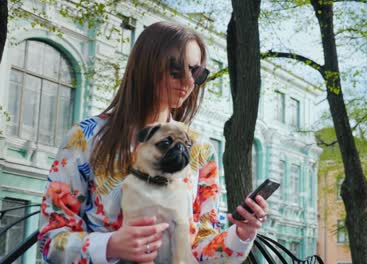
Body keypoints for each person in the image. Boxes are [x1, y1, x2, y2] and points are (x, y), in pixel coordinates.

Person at [38, 21, 269, 263]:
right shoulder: (86, 137)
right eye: (176, 69)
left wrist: (241, 234)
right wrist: (111, 245)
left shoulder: (199, 148)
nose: (188, 82)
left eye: (197, 73)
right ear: (147, 66)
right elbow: (51, 240)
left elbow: (201, 251)